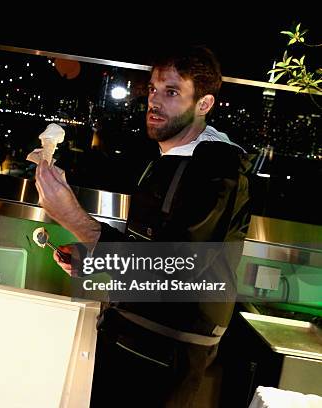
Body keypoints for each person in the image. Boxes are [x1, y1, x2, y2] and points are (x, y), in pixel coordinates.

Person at [35, 45, 251, 407]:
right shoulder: (173, 157)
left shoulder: (216, 169)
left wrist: (72, 217)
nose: (154, 101)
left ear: (204, 105)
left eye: (171, 92)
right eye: (152, 89)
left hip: (162, 350)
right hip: (140, 333)